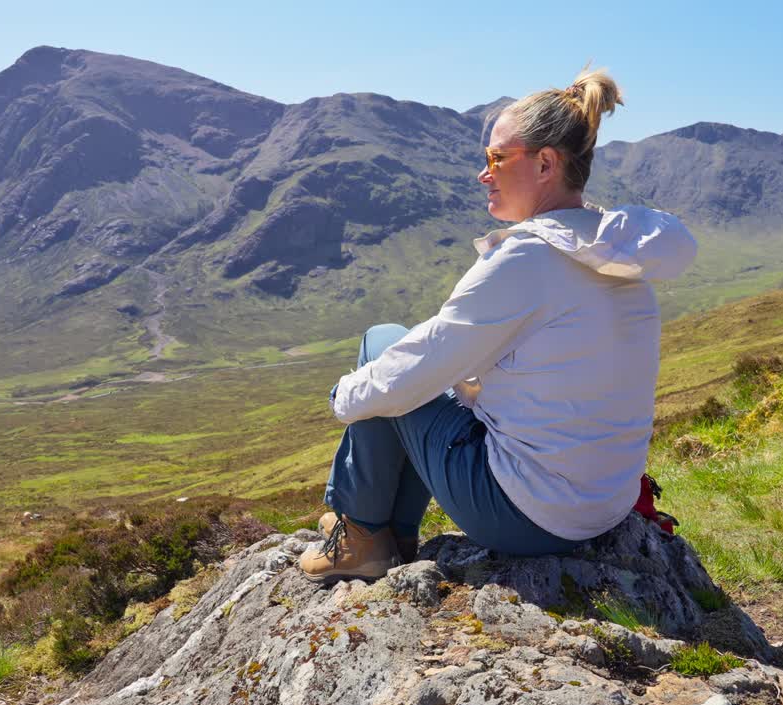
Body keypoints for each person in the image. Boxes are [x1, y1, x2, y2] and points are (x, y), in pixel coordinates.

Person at [299, 68, 697, 583]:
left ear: (546, 163)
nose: (483, 174)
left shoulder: (529, 257)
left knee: (383, 347)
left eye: (496, 159)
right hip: (601, 506)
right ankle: (390, 534)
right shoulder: (613, 249)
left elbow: (416, 370)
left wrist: (342, 396)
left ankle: (361, 535)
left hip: (525, 517)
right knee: (412, 373)